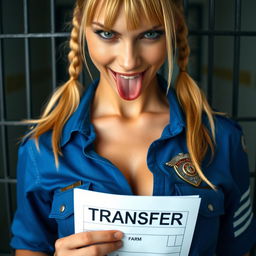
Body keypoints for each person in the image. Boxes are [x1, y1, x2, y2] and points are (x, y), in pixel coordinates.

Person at [10, 0, 256, 255]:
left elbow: (239, 249)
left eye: (150, 34)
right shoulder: (42, 147)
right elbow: (31, 246)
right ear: (82, 27)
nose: (129, 61)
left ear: (172, 32)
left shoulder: (222, 139)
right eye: (107, 34)